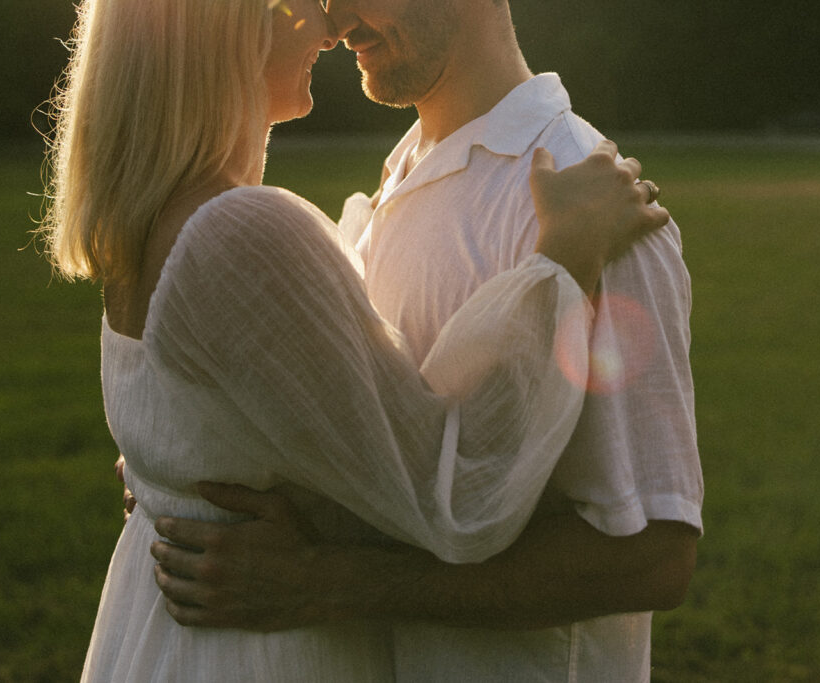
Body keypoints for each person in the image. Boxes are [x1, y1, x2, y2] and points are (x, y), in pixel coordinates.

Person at [148, 0, 704, 681]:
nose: (337, 19)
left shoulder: (590, 204)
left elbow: (652, 556)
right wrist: (197, 458)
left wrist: (331, 582)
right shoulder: (398, 177)